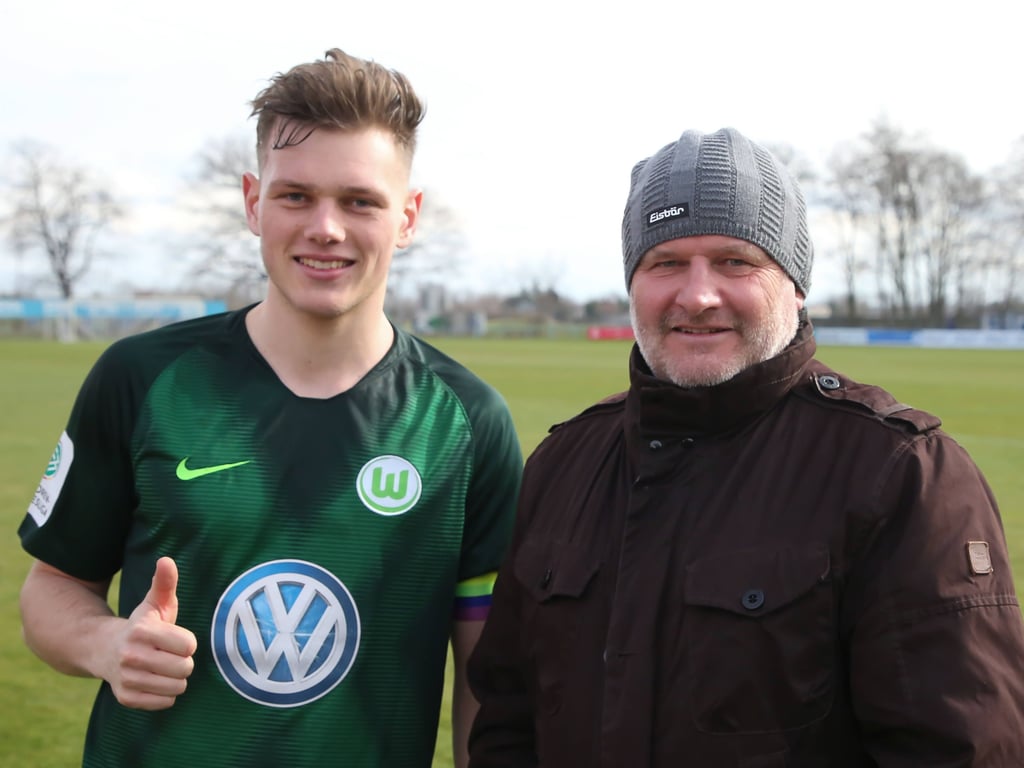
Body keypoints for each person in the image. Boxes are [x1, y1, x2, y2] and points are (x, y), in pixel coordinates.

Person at [18, 48, 522, 768]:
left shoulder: (467, 425)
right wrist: (106, 643)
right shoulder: (142, 379)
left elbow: (488, 683)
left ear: (407, 217)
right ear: (254, 202)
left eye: (360, 201)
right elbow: (52, 589)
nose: (326, 228)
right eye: (296, 196)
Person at [467, 127, 1024, 766]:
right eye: (665, 263)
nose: (698, 295)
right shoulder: (564, 465)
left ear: (796, 284)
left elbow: (962, 749)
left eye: (735, 261)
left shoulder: (900, 473)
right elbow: (506, 725)